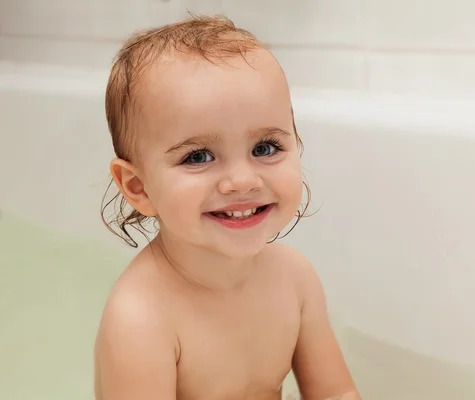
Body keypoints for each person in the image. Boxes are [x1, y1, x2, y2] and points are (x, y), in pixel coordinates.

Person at [94, 14, 360, 400]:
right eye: (198, 156)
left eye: (265, 148)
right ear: (139, 188)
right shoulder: (141, 318)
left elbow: (336, 393)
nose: (243, 180)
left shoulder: (295, 279)